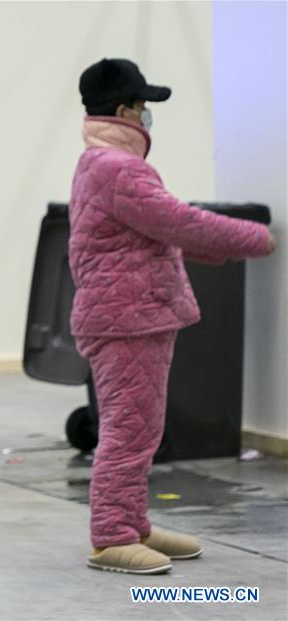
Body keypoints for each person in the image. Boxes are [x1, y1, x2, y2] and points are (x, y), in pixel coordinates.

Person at [70, 58, 275, 575]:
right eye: (143, 106)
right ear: (124, 111)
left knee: (141, 429)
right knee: (128, 431)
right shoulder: (118, 169)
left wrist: (220, 248)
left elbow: (158, 232)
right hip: (125, 319)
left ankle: (133, 523)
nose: (147, 116)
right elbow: (179, 221)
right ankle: (112, 536)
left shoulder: (101, 164)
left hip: (132, 314)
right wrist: (256, 238)